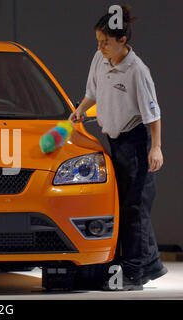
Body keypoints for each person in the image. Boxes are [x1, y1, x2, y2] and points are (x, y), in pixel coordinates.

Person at [69, 5, 167, 291]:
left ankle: (135, 273)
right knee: (128, 204)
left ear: (122, 40)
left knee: (134, 208)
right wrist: (80, 110)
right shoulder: (100, 60)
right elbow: (92, 93)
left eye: (106, 42)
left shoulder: (137, 71)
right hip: (115, 142)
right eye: (98, 41)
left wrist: (156, 149)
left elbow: (153, 114)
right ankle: (150, 264)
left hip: (136, 142)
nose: (100, 47)